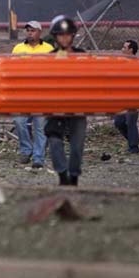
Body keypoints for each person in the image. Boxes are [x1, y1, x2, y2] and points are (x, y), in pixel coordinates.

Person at [44, 18, 87, 186]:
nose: (64, 38)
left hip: (78, 106)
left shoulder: (82, 55)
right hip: (56, 107)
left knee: (77, 145)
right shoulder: (50, 57)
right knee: (54, 141)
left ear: (73, 36)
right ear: (55, 37)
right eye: (61, 35)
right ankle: (62, 175)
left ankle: (74, 176)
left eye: (67, 35)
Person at [11, 20, 54, 168]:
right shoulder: (18, 49)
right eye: (28, 30)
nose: (30, 33)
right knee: (19, 121)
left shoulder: (49, 49)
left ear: (39, 32)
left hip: (42, 94)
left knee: (40, 126)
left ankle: (38, 157)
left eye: (33, 30)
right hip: (23, 93)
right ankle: (26, 150)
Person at [113, 39, 139, 154]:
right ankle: (134, 139)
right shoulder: (121, 63)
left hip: (133, 98)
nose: (122, 49)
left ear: (131, 50)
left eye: (124, 47)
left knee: (130, 122)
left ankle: (134, 147)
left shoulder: (137, 64)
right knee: (118, 122)